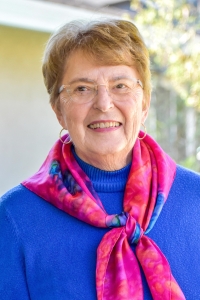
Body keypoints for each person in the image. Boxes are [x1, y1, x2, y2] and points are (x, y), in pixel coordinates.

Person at [0, 19, 200, 300]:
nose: (104, 103)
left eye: (120, 85)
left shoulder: (196, 199)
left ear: (144, 103)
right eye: (83, 88)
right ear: (59, 110)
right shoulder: (14, 219)